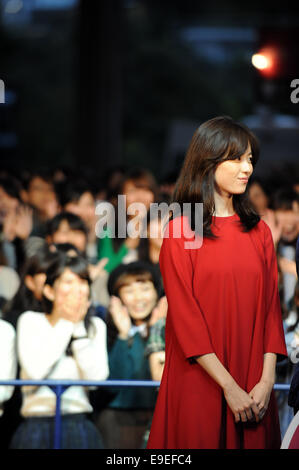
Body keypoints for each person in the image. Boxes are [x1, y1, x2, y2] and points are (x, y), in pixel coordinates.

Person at [147, 116, 287, 450]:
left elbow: (271, 312)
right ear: (209, 161)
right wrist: (228, 386)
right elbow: (186, 321)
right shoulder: (182, 231)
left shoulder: (260, 232)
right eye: (237, 158)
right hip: (201, 380)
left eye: (250, 159)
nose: (247, 168)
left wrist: (266, 381)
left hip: (255, 382)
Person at [10, 251, 109, 449]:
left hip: (78, 421)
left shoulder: (95, 325)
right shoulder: (31, 321)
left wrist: (79, 327)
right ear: (49, 291)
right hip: (36, 423)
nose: (78, 290)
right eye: (68, 282)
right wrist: (68, 323)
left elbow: (96, 379)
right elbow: (36, 372)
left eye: (83, 282)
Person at [96, 261, 165, 449]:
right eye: (128, 291)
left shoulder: (168, 328)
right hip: (117, 420)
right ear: (117, 298)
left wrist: (158, 330)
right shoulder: (106, 331)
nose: (137, 298)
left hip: (159, 415)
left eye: (144, 289)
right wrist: (123, 335)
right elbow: (114, 383)